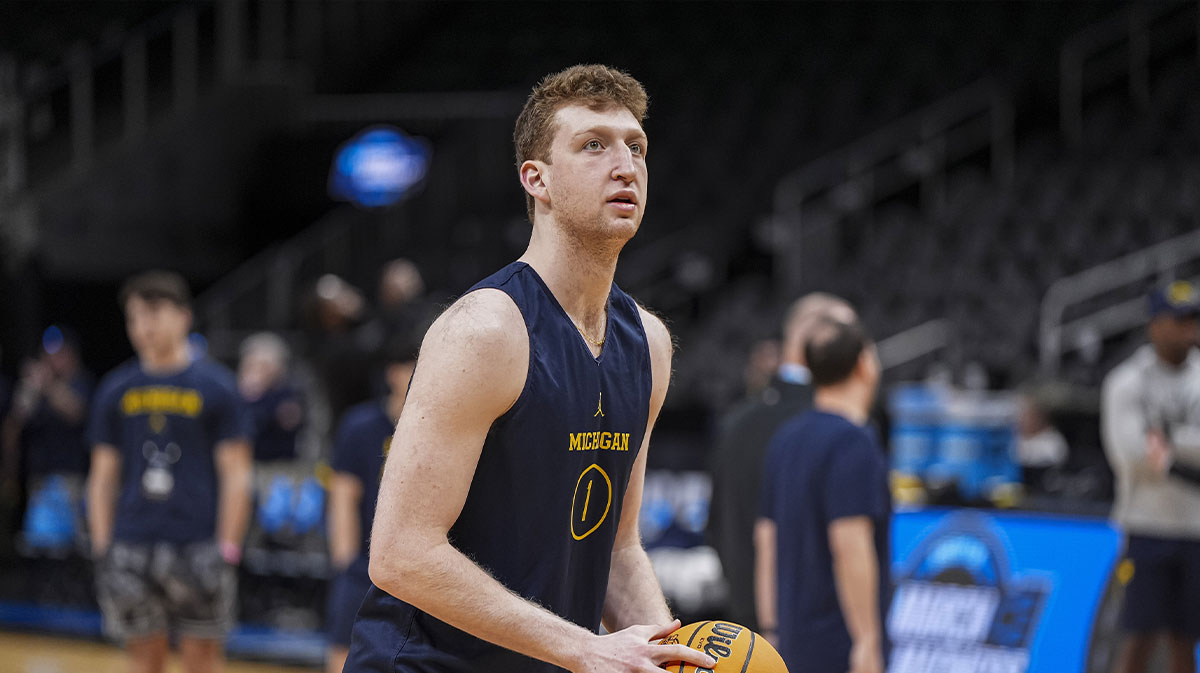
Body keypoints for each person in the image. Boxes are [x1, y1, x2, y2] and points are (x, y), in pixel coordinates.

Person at [346, 64, 715, 673]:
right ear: (536, 179)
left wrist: (670, 659)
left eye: (636, 147)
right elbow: (400, 554)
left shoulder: (649, 343)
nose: (625, 165)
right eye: (593, 145)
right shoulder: (485, 330)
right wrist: (585, 647)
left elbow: (619, 549)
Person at [86, 270, 254, 673]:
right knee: (143, 662)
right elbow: (102, 475)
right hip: (132, 543)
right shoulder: (115, 389)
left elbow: (237, 474)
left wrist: (228, 546)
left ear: (183, 316)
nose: (144, 326)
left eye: (154, 313)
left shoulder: (217, 387)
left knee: (202, 661)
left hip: (197, 544)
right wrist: (102, 545)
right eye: (135, 317)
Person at [708, 293, 855, 631]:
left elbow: (714, 525)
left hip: (743, 625)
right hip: (815, 631)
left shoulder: (735, 422)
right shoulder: (835, 426)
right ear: (824, 342)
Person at [756, 316, 890, 673]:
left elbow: (766, 538)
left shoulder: (786, 438)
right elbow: (849, 543)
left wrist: (771, 627)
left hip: (792, 636)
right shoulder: (855, 441)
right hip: (838, 639)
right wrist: (866, 642)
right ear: (864, 364)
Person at [1103, 280, 1200, 673]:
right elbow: (1130, 455)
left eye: (1193, 318)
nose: (1189, 328)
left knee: (1185, 640)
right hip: (1145, 527)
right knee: (1138, 638)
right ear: (1154, 325)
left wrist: (1168, 445)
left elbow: (1153, 452)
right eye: (1179, 320)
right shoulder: (1127, 381)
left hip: (1195, 529)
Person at [326, 335, 419, 673]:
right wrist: (346, 561)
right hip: (364, 564)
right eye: (413, 366)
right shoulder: (360, 425)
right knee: (344, 649)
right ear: (393, 373)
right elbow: (343, 495)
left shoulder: (440, 428)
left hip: (418, 567)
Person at [2, 326, 92, 549]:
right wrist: (28, 393)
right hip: (40, 483)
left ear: (71, 354)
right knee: (39, 548)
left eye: (59, 354)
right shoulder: (35, 389)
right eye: (49, 355)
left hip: (72, 480)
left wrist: (48, 384)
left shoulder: (80, 382)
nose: (53, 360)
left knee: (74, 549)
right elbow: (13, 428)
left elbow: (76, 412)